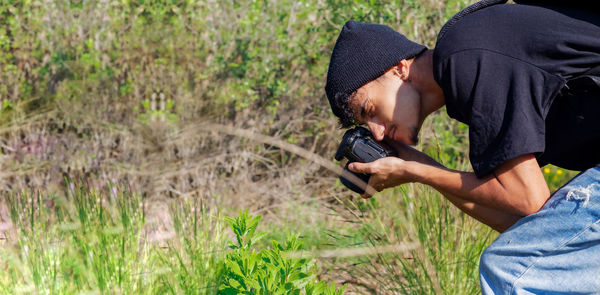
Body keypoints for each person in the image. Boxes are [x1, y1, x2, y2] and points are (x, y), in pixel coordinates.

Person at [324, 1, 600, 293]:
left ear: (399, 69)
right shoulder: (464, 74)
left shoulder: (464, 56)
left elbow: (527, 200)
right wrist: (422, 169)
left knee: (508, 269)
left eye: (371, 110)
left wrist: (416, 170)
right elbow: (533, 226)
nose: (378, 133)